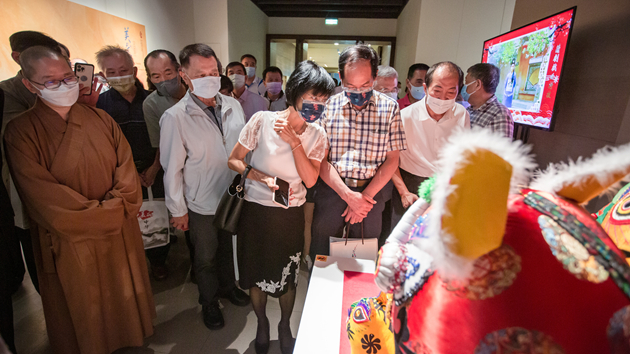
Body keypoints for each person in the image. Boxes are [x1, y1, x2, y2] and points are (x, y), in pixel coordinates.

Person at [4, 45, 155, 354]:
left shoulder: (101, 120)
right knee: (84, 308)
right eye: (50, 81)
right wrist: (110, 213)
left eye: (68, 76)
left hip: (118, 232)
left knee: (122, 292)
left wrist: (116, 207)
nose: (64, 85)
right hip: (71, 238)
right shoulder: (20, 132)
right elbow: (44, 199)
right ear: (28, 84)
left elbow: (127, 176)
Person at [228, 60, 334, 354]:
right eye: (313, 97)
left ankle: (285, 324)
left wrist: (294, 142)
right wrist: (258, 175)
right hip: (255, 212)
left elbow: (311, 180)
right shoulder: (261, 120)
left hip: (290, 215)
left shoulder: (317, 134)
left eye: (323, 100)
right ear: (296, 92)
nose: (318, 105)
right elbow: (234, 159)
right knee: (255, 274)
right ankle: (262, 323)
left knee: (287, 278)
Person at [160, 43, 250, 330]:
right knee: (206, 256)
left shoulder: (233, 105)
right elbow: (171, 169)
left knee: (228, 249)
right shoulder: (175, 117)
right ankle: (209, 302)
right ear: (184, 75)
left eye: (214, 72)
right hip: (201, 202)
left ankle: (228, 287)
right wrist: (177, 210)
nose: (210, 78)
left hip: (233, 195)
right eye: (201, 74)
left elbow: (243, 149)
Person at [310, 45, 407, 260]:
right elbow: (321, 160)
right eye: (350, 86)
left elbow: (392, 160)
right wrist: (348, 196)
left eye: (365, 85)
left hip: (372, 195)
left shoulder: (390, 108)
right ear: (340, 78)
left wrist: (364, 198)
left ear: (374, 77)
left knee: (360, 260)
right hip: (332, 190)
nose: (358, 93)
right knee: (323, 255)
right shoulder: (327, 106)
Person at [95, 45, 170, 280]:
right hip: (121, 174)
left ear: (135, 70)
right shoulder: (101, 105)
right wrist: (126, 174)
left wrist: (155, 167)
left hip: (155, 168)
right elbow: (103, 145)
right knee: (129, 222)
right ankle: (135, 266)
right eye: (112, 72)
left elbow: (166, 138)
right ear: (104, 75)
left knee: (158, 215)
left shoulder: (152, 100)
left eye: (123, 70)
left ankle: (159, 261)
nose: (119, 76)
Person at [391, 61, 470, 228]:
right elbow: (390, 159)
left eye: (451, 92)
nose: (443, 98)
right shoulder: (404, 116)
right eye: (437, 90)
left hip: (445, 186)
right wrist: (404, 192)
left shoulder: (462, 114)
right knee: (404, 238)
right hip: (410, 184)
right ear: (426, 88)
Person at [463, 63, 514, 138]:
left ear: (477, 84)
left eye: (466, 83)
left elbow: (500, 149)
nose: (464, 87)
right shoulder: (468, 110)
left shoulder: (499, 114)